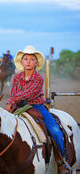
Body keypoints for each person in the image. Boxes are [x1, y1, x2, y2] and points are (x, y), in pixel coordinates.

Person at [6, 45, 70, 173]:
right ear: (21, 62)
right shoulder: (17, 78)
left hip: (36, 107)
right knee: (4, 127)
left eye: (31, 59)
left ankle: (62, 160)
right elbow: (13, 93)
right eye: (26, 59)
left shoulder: (38, 78)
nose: (28, 61)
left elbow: (28, 93)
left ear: (36, 63)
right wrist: (11, 104)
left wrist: (12, 101)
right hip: (19, 106)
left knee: (55, 130)